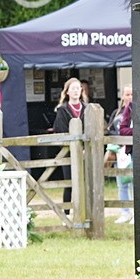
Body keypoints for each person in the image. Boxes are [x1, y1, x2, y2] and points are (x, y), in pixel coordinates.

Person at [53, 77, 87, 206]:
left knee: (84, 182)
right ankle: (66, 212)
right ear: (67, 92)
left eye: (78, 88)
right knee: (69, 182)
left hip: (85, 151)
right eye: (73, 88)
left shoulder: (87, 108)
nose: (75, 91)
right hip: (68, 152)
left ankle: (85, 209)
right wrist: (74, 148)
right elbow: (60, 130)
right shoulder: (62, 110)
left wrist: (84, 148)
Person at [107, 86, 134, 224]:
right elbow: (110, 130)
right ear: (122, 96)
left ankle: (135, 212)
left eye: (132, 94)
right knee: (121, 183)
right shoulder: (116, 112)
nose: (129, 97)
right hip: (119, 151)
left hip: (132, 149)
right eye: (127, 94)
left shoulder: (134, 109)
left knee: (135, 183)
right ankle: (125, 212)